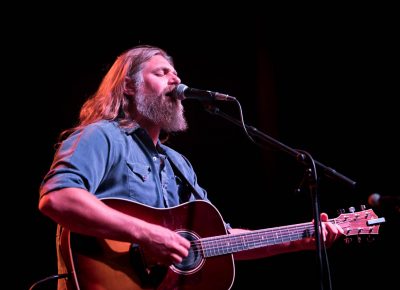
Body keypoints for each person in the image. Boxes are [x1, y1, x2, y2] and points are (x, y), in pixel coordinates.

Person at [38, 44, 344, 290]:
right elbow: (58, 197)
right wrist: (149, 235)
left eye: (176, 73)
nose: (176, 80)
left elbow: (221, 241)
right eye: (162, 73)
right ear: (129, 86)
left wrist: (302, 240)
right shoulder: (102, 135)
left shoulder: (178, 163)